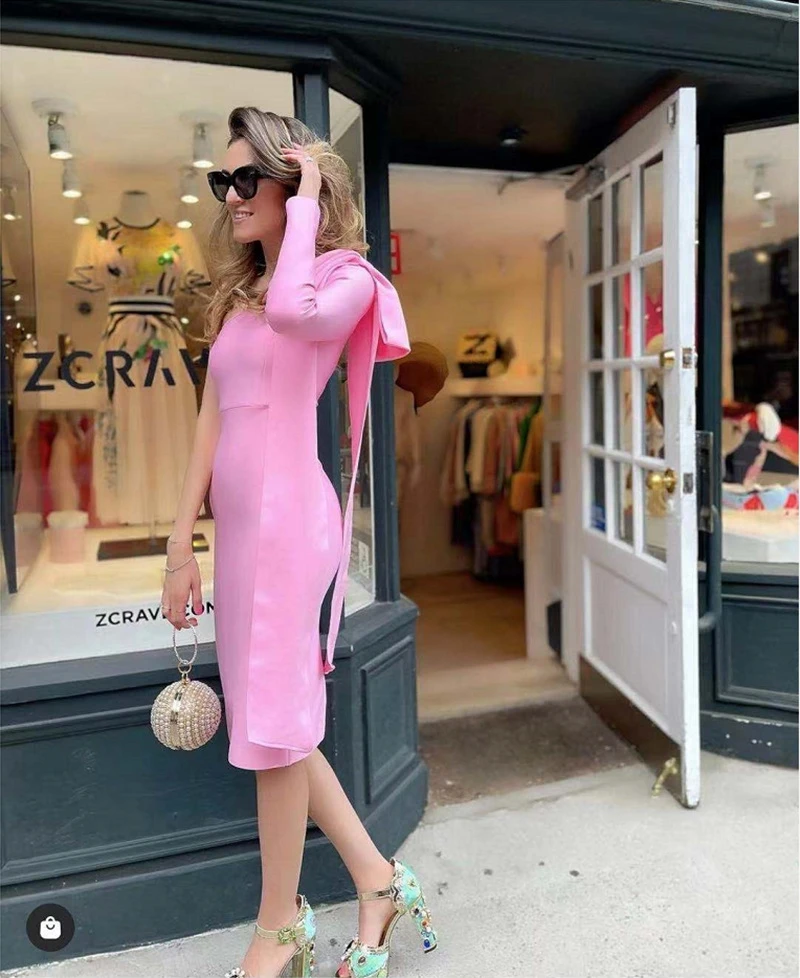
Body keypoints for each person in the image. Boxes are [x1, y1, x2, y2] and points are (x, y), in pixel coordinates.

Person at [159, 107, 438, 978]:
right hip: (241, 534)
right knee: (270, 723)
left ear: (295, 179)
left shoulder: (344, 280)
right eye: (224, 181)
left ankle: (277, 928)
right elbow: (210, 418)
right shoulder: (239, 296)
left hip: (289, 528)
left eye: (248, 179)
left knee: (274, 732)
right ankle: (377, 879)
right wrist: (179, 542)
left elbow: (294, 312)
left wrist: (311, 200)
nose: (230, 196)